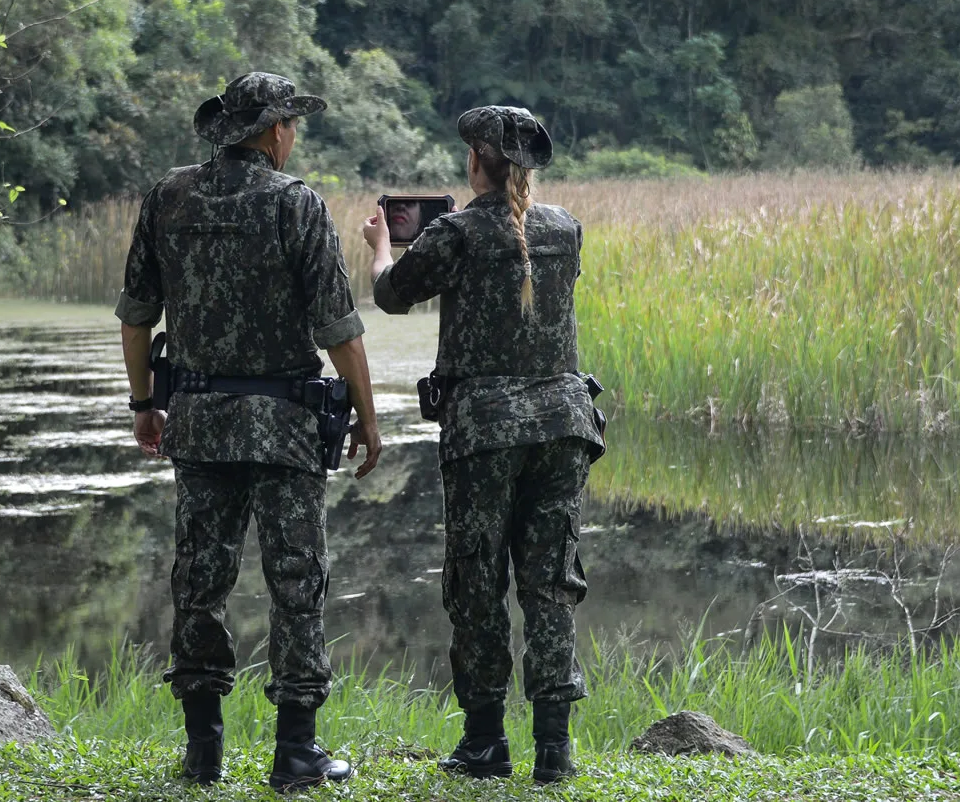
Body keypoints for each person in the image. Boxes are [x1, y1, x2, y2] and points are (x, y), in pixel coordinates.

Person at [118, 71, 384, 793]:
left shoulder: (168, 197)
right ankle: (296, 753)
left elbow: (136, 314)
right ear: (273, 132)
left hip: (199, 424)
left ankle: (203, 751)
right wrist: (367, 414)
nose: (293, 137)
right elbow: (340, 330)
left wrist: (145, 401)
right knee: (296, 582)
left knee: (198, 579)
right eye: (291, 125)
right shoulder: (295, 203)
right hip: (287, 428)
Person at [361, 106, 604, 784]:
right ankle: (554, 750)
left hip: (485, 433)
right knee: (551, 580)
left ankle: (485, 743)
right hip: (563, 425)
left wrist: (382, 244)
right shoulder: (566, 229)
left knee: (476, 581)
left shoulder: (454, 232)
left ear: (476, 161)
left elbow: (390, 295)